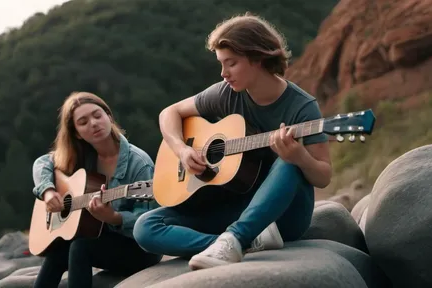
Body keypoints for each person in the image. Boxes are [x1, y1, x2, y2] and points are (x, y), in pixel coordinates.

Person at [133, 13, 332, 270]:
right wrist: (182, 150)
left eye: (231, 63)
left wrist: (300, 157)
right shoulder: (226, 94)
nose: (223, 73)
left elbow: (324, 176)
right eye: (221, 63)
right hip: (234, 207)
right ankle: (230, 243)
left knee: (288, 161)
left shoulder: (302, 107)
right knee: (146, 227)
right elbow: (169, 113)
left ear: (258, 58)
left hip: (282, 217)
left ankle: (236, 238)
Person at [31, 92, 162, 288]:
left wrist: (114, 217)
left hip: (139, 249)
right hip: (102, 238)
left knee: (80, 247)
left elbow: (152, 221)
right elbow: (42, 163)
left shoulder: (139, 163)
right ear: (76, 133)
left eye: (97, 115)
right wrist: (48, 191)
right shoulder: (81, 156)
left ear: (109, 117)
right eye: (83, 122)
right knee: (57, 251)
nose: (93, 123)